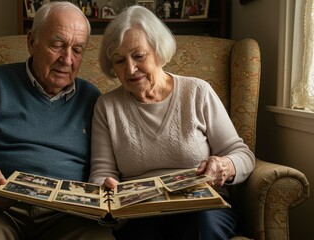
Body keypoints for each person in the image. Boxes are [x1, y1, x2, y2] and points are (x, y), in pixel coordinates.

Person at [0, 2, 114, 239]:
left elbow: (105, 164)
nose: (67, 59)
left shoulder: (92, 98)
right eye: (57, 45)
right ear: (32, 42)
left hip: (66, 213)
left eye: (77, 50)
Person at [89, 5, 255, 240]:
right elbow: (101, 171)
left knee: (200, 225)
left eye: (138, 56)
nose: (130, 69)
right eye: (119, 61)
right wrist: (105, 189)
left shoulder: (197, 92)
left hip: (201, 207)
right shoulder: (107, 106)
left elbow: (243, 154)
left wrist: (225, 165)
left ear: (158, 50)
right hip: (140, 211)